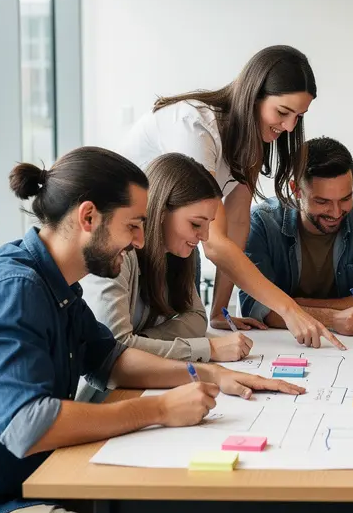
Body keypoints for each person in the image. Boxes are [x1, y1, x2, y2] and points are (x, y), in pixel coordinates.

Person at [0, 147, 304, 513]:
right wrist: (157, 410)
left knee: (176, 504)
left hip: (16, 486)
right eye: (133, 225)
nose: (140, 241)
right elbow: (28, 423)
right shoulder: (14, 291)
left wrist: (209, 374)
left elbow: (111, 360)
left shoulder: (55, 283)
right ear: (88, 217)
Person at [119, 45, 343, 350]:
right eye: (282, 112)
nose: (289, 127)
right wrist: (290, 309)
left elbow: (236, 225)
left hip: (170, 241)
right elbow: (212, 240)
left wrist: (220, 312)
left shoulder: (252, 140)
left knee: (185, 331)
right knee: (136, 341)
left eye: (299, 117)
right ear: (254, 95)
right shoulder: (195, 128)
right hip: (128, 242)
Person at [82, 152, 253, 366]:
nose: (205, 237)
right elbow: (115, 348)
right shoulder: (117, 253)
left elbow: (197, 318)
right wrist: (206, 349)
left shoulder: (177, 252)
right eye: (196, 224)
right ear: (162, 212)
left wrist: (142, 342)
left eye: (209, 223)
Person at [240, 136, 353, 336]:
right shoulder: (262, 222)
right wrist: (331, 318)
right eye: (322, 201)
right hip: (285, 342)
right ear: (295, 190)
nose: (335, 212)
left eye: (345, 198)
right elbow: (255, 307)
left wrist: (292, 306)